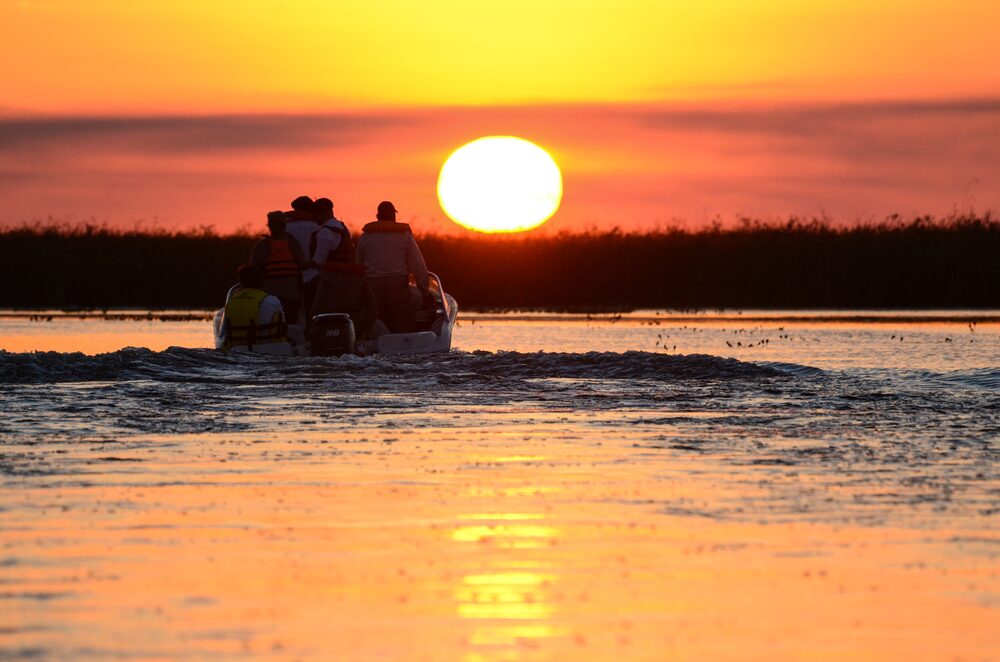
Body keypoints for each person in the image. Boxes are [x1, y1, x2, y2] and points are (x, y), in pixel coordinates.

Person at [355, 200, 429, 333]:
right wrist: (424, 289)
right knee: (402, 324)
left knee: (377, 323)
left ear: (378, 216)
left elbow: (358, 266)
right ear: (393, 216)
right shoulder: (405, 236)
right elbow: (418, 264)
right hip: (397, 286)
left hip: (372, 286)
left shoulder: (365, 237)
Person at [310, 198, 377, 337]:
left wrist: (303, 263)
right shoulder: (343, 228)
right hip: (352, 277)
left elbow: (319, 260)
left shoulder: (324, 233)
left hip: (331, 278)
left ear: (323, 213)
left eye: (316, 214)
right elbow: (372, 308)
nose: (314, 217)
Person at [250, 211, 307, 324]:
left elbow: (252, 270)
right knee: (290, 325)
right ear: (284, 225)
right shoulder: (292, 242)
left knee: (271, 324)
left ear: (269, 226)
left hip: (269, 296)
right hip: (291, 295)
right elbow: (303, 264)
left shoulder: (261, 246)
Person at [222, 265, 286, 351]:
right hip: (269, 350)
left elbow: (224, 332)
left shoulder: (230, 304)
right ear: (260, 280)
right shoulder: (272, 301)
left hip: (236, 350)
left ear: (241, 281)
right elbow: (283, 324)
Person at [284, 196, 320, 314]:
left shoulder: (285, 228)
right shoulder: (318, 227)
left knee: (293, 313)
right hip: (314, 275)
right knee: (312, 311)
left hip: (290, 276)